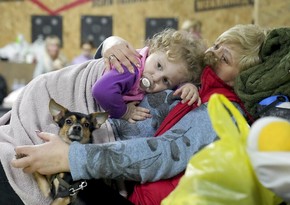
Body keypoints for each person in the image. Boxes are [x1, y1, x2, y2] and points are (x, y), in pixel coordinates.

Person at [8, 24, 267, 204]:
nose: (211, 53)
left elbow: (163, 153)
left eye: (224, 57)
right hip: (70, 105)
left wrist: (73, 157)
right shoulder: (200, 81)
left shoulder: (218, 107)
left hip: (105, 161)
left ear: (242, 77)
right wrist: (113, 44)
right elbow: (114, 75)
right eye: (216, 43)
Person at [92, 28, 205, 122]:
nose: (155, 77)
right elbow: (101, 91)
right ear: (152, 50)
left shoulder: (152, 67)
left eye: (165, 80)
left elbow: (174, 83)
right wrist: (125, 112)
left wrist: (187, 86)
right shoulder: (132, 68)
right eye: (159, 66)